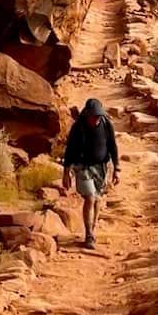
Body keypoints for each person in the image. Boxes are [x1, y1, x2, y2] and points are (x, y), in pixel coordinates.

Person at [61, 98, 120, 249]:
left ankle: (92, 228)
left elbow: (113, 146)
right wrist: (66, 171)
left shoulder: (106, 125)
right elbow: (70, 150)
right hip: (83, 166)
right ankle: (89, 234)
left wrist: (117, 169)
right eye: (93, 117)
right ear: (87, 115)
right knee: (90, 197)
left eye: (98, 117)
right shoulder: (78, 127)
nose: (95, 120)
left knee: (98, 199)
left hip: (101, 166)